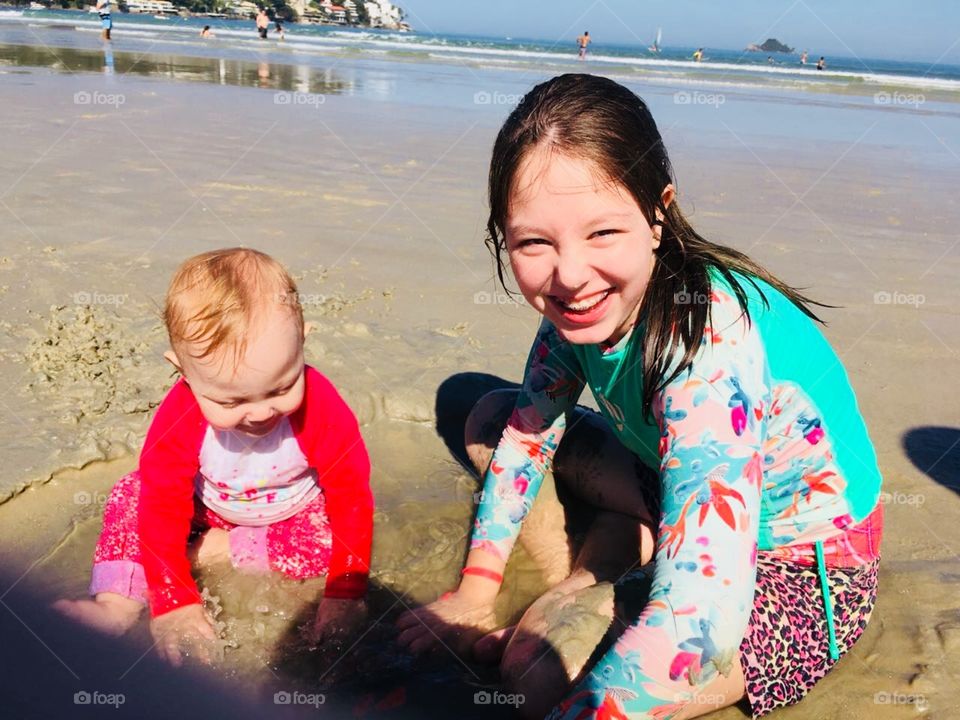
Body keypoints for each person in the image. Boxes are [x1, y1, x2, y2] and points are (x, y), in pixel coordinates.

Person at [396, 74, 883, 719]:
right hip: (667, 477)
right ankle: (611, 553)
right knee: (487, 413)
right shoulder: (582, 310)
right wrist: (476, 589)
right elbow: (525, 437)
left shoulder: (706, 344)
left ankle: (603, 566)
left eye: (602, 234)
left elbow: (699, 613)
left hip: (796, 565)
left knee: (536, 669)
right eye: (534, 242)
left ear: (658, 214)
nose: (569, 276)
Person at [54, 248, 374, 666]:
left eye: (281, 388)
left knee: (328, 541)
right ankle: (118, 601)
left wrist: (343, 595)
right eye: (232, 400)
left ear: (303, 342)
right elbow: (164, 500)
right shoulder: (181, 415)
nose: (260, 412)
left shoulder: (321, 406)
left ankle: (210, 551)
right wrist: (173, 600)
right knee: (133, 495)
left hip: (289, 514)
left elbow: (350, 494)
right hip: (204, 507)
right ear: (183, 374)